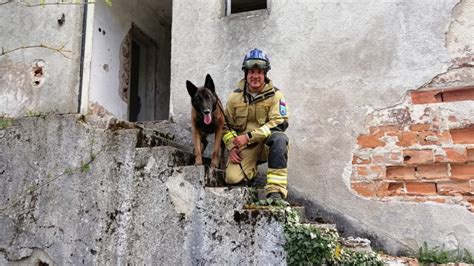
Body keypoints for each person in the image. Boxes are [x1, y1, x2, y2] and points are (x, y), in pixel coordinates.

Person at [222, 48, 289, 200]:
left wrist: (250, 136)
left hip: (266, 144)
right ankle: (250, 172)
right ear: (245, 74)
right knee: (232, 179)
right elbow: (226, 127)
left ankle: (276, 191)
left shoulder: (276, 96)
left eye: (259, 72)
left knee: (280, 139)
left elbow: (280, 123)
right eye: (251, 72)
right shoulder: (234, 98)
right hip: (244, 147)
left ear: (265, 74)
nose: (255, 76)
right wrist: (232, 147)